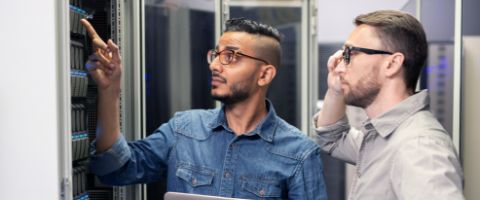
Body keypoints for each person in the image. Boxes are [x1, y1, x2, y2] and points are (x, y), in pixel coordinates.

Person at [80, 18, 327, 199]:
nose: (215, 66)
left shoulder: (299, 153)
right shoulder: (183, 129)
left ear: (264, 74)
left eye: (231, 56)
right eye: (216, 55)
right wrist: (109, 91)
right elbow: (114, 170)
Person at [312, 10, 464, 199]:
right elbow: (331, 138)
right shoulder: (384, 137)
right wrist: (336, 89)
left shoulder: (418, 147)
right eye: (343, 55)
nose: (340, 66)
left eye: (350, 53)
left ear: (392, 64)